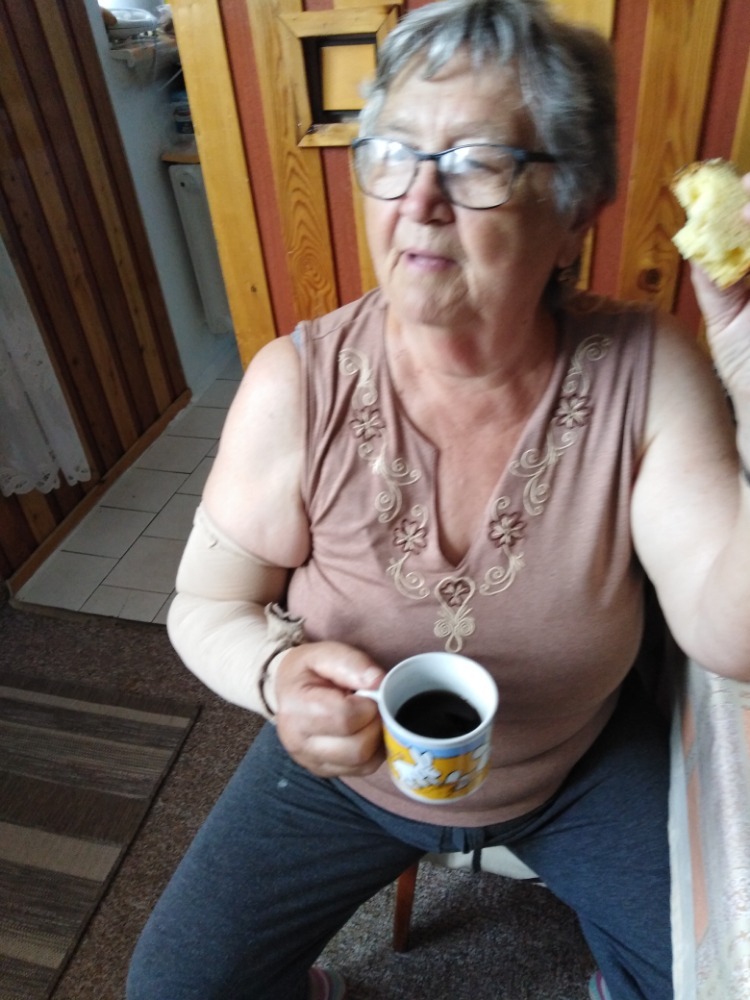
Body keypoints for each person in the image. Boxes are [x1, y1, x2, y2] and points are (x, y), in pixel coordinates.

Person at [126, 1, 750, 998]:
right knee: (173, 990)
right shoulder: (297, 385)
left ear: (573, 211)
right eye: (393, 151)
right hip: (348, 779)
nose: (418, 199)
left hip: (574, 765)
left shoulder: (648, 370)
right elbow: (206, 604)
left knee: (724, 981)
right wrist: (278, 677)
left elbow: (734, 632)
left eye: (476, 161)